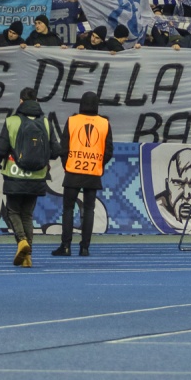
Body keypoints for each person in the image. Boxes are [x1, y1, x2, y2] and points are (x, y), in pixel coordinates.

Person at [0, 87, 60, 268]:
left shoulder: (12, 121)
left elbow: (0, 149)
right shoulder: (46, 122)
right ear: (37, 101)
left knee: (13, 211)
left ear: (21, 101)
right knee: (27, 214)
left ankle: (22, 241)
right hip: (37, 176)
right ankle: (27, 257)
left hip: (14, 174)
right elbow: (56, 150)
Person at [53, 91, 113, 257]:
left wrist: (67, 165)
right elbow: (109, 151)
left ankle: (65, 246)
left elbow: (63, 148)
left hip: (73, 171)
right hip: (93, 172)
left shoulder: (72, 121)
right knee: (88, 210)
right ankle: (85, 248)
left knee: (68, 209)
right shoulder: (104, 123)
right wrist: (98, 164)